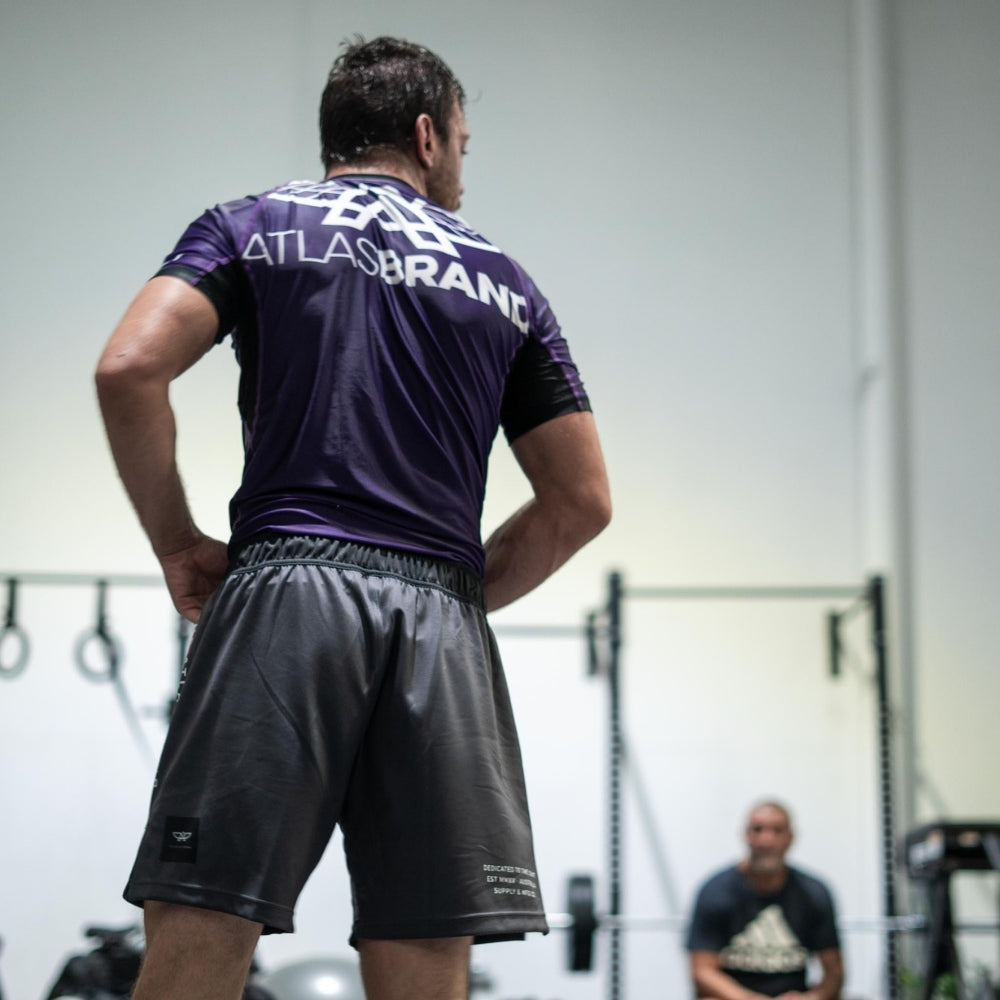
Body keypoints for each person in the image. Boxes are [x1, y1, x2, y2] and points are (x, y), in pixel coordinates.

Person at [95, 36, 610, 1000]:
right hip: (440, 618)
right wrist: (459, 600)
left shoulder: (252, 224)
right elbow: (582, 500)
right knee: (426, 943)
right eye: (463, 144)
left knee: (205, 914)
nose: (462, 172)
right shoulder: (508, 282)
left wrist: (177, 542)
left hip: (286, 588)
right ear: (427, 136)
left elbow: (129, 367)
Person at [685, 801, 844, 1000]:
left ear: (790, 837)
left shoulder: (813, 893)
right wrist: (748, 999)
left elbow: (834, 973)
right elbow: (702, 971)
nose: (767, 840)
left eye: (777, 830)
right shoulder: (715, 891)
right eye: (758, 829)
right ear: (746, 835)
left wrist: (810, 998)